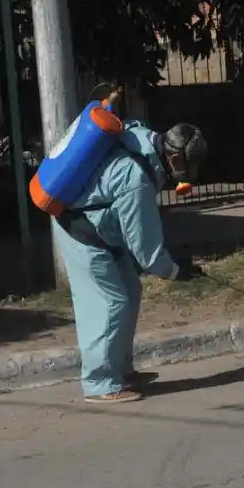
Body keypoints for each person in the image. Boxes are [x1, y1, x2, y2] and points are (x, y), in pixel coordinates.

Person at [52, 86, 208, 404]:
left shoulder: (142, 137)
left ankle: (120, 370)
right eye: (190, 165)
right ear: (174, 158)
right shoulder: (136, 180)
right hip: (81, 233)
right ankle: (99, 383)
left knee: (130, 291)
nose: (191, 173)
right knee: (111, 303)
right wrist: (176, 271)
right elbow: (146, 249)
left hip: (99, 230)